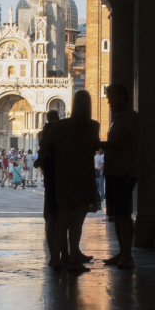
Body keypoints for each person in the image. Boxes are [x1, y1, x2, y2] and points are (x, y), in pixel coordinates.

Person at [52, 90, 100, 271]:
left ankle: (56, 258)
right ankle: (73, 259)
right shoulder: (93, 126)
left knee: (62, 219)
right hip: (83, 175)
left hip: (64, 175)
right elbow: (94, 147)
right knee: (77, 221)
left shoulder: (61, 125)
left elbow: (52, 145)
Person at [99, 83, 141, 269]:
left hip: (124, 171)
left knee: (124, 214)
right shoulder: (118, 118)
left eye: (111, 98)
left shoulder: (130, 117)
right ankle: (122, 252)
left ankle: (128, 256)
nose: (109, 102)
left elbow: (126, 141)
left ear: (123, 96)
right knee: (116, 214)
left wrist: (103, 145)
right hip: (114, 171)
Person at [37, 111, 61, 267]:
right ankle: (63, 255)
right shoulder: (61, 149)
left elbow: (36, 163)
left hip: (51, 187)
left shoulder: (46, 151)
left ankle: (54, 256)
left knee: (51, 220)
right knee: (62, 220)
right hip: (61, 186)